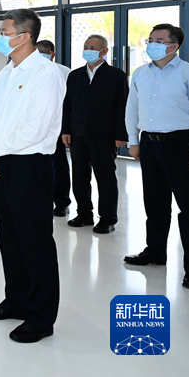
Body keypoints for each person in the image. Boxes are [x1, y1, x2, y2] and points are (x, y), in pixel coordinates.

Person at [0, 9, 65, 344]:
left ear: (25, 36)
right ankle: (16, 301)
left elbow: (36, 127)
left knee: (34, 240)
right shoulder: (8, 71)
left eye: (5, 31)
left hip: (29, 165)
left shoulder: (46, 73)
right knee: (10, 237)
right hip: (1, 161)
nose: (0, 37)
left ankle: (41, 317)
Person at [123, 24, 189, 290]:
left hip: (181, 144)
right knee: (154, 203)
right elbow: (132, 108)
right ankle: (155, 252)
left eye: (159, 40)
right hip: (149, 143)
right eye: (150, 39)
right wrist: (133, 141)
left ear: (174, 46)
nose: (152, 44)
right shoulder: (140, 73)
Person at [61, 35, 128, 234]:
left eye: (93, 47)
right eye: (86, 47)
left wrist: (121, 134)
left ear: (104, 51)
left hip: (103, 135)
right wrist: (66, 130)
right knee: (80, 177)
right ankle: (84, 214)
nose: (88, 50)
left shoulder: (116, 76)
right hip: (78, 134)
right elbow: (68, 105)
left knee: (105, 178)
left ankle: (108, 219)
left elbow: (122, 107)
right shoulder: (75, 76)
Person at [36, 40, 72, 217]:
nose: (41, 54)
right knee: (37, 166)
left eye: (46, 51)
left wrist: (66, 129)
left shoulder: (64, 72)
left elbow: (69, 103)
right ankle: (41, 200)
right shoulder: (28, 71)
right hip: (34, 128)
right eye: (38, 51)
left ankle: (62, 202)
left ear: (53, 54)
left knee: (59, 166)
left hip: (56, 128)